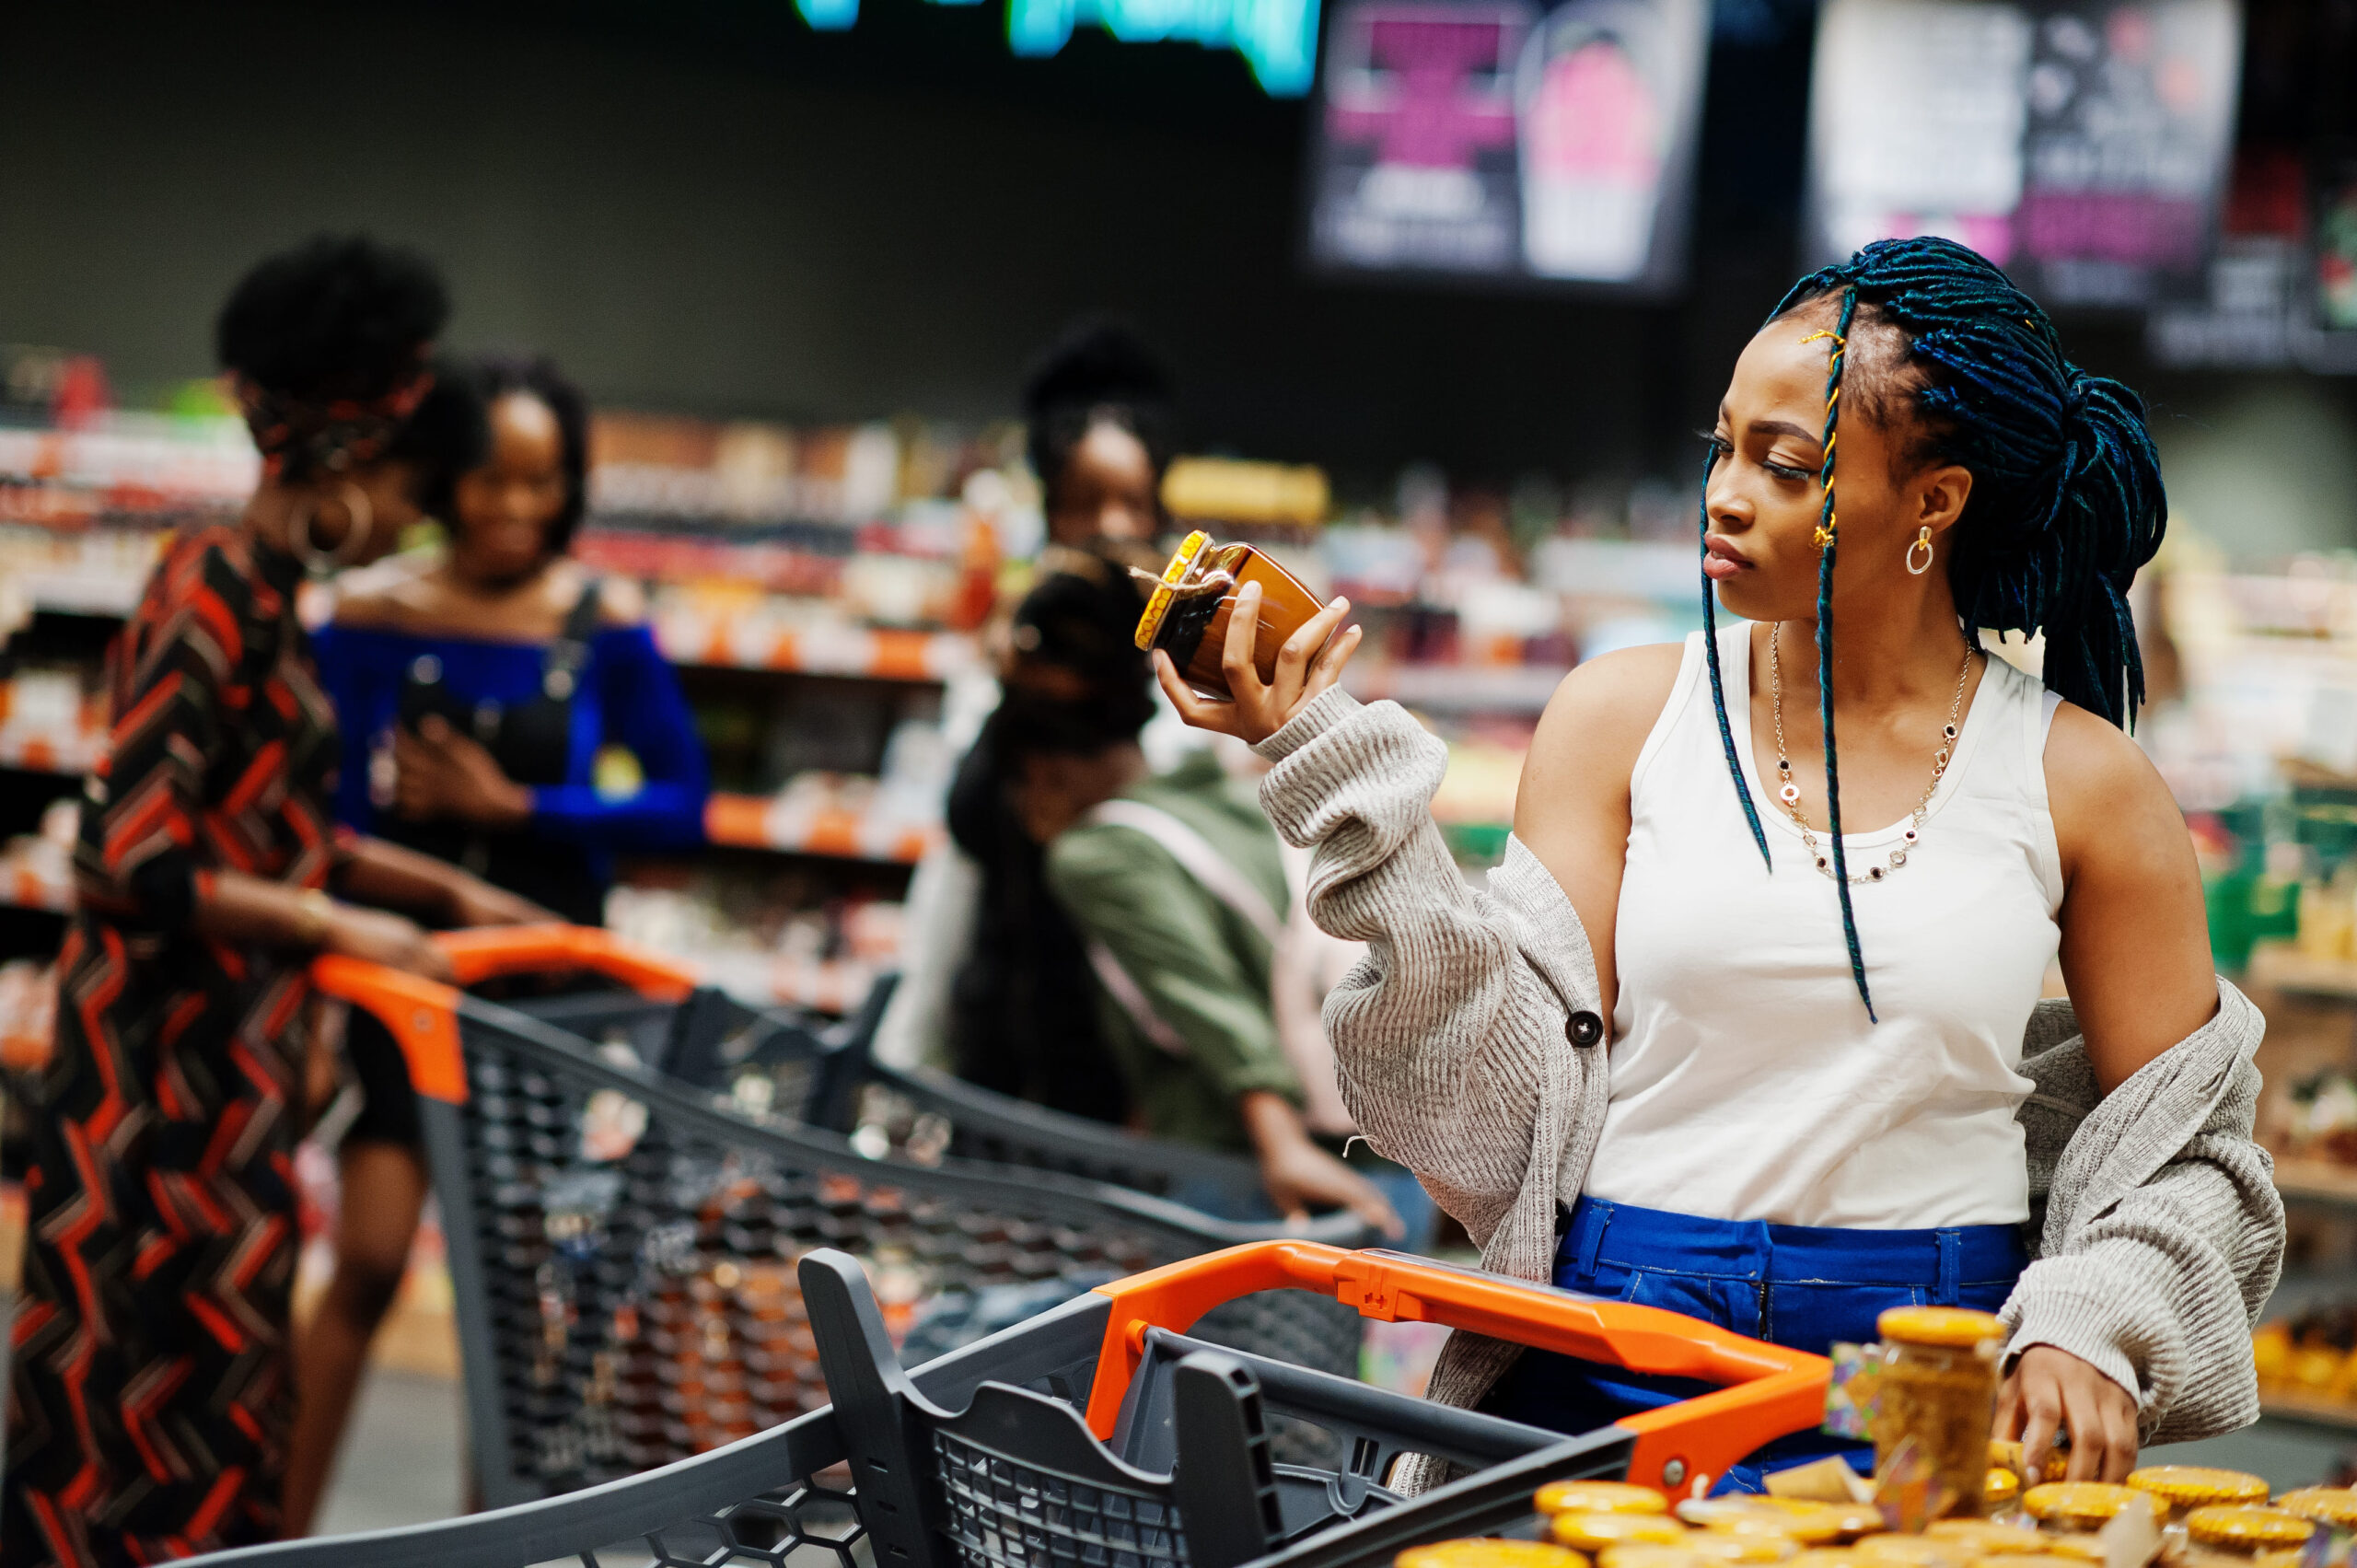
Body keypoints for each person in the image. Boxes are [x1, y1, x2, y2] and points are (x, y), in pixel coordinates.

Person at [1158, 238, 2282, 1490]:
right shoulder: (1622, 719)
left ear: (1936, 501)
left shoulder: (2086, 785)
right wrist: (1340, 773)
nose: (1726, 494)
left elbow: (2187, 1151)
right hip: (1601, 1356)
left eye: (1786, 464)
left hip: (1911, 1376)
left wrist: (2091, 1317)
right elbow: (1485, 1128)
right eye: (1723, 446)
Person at [3, 236, 548, 1568]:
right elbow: (126, 856)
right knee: (128, 1411)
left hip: (227, 1082)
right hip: (144, 1099)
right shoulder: (205, 587)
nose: (420, 523)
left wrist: (459, 892)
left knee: (223, 1393)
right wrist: (342, 928)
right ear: (349, 460)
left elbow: (294, 836)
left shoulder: (273, 600)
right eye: (415, 492)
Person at [290, 354, 707, 1531]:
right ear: (444, 479)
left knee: (511, 1288)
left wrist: (519, 810)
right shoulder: (366, 618)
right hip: (397, 967)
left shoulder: (603, 625)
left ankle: (497, 1541)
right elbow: (318, 818)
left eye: (543, 482)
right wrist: (433, 895)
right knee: (367, 1255)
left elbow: (682, 805)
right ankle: (270, 1540)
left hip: (543, 991)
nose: (516, 507)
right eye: (491, 479)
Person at [993, 571, 1399, 1236]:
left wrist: (1280, 1144)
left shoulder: (1096, 855)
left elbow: (1206, 999)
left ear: (1042, 773)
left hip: (1258, 1173)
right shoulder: (1216, 794)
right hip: (1376, 1147)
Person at [877, 319, 1177, 1120]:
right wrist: (902, 1061)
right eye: (1084, 504)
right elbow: (953, 881)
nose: (1111, 526)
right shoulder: (1007, 668)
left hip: (1132, 1099)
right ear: (1048, 512)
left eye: (1131, 503)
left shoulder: (1196, 690)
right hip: (994, 1071)